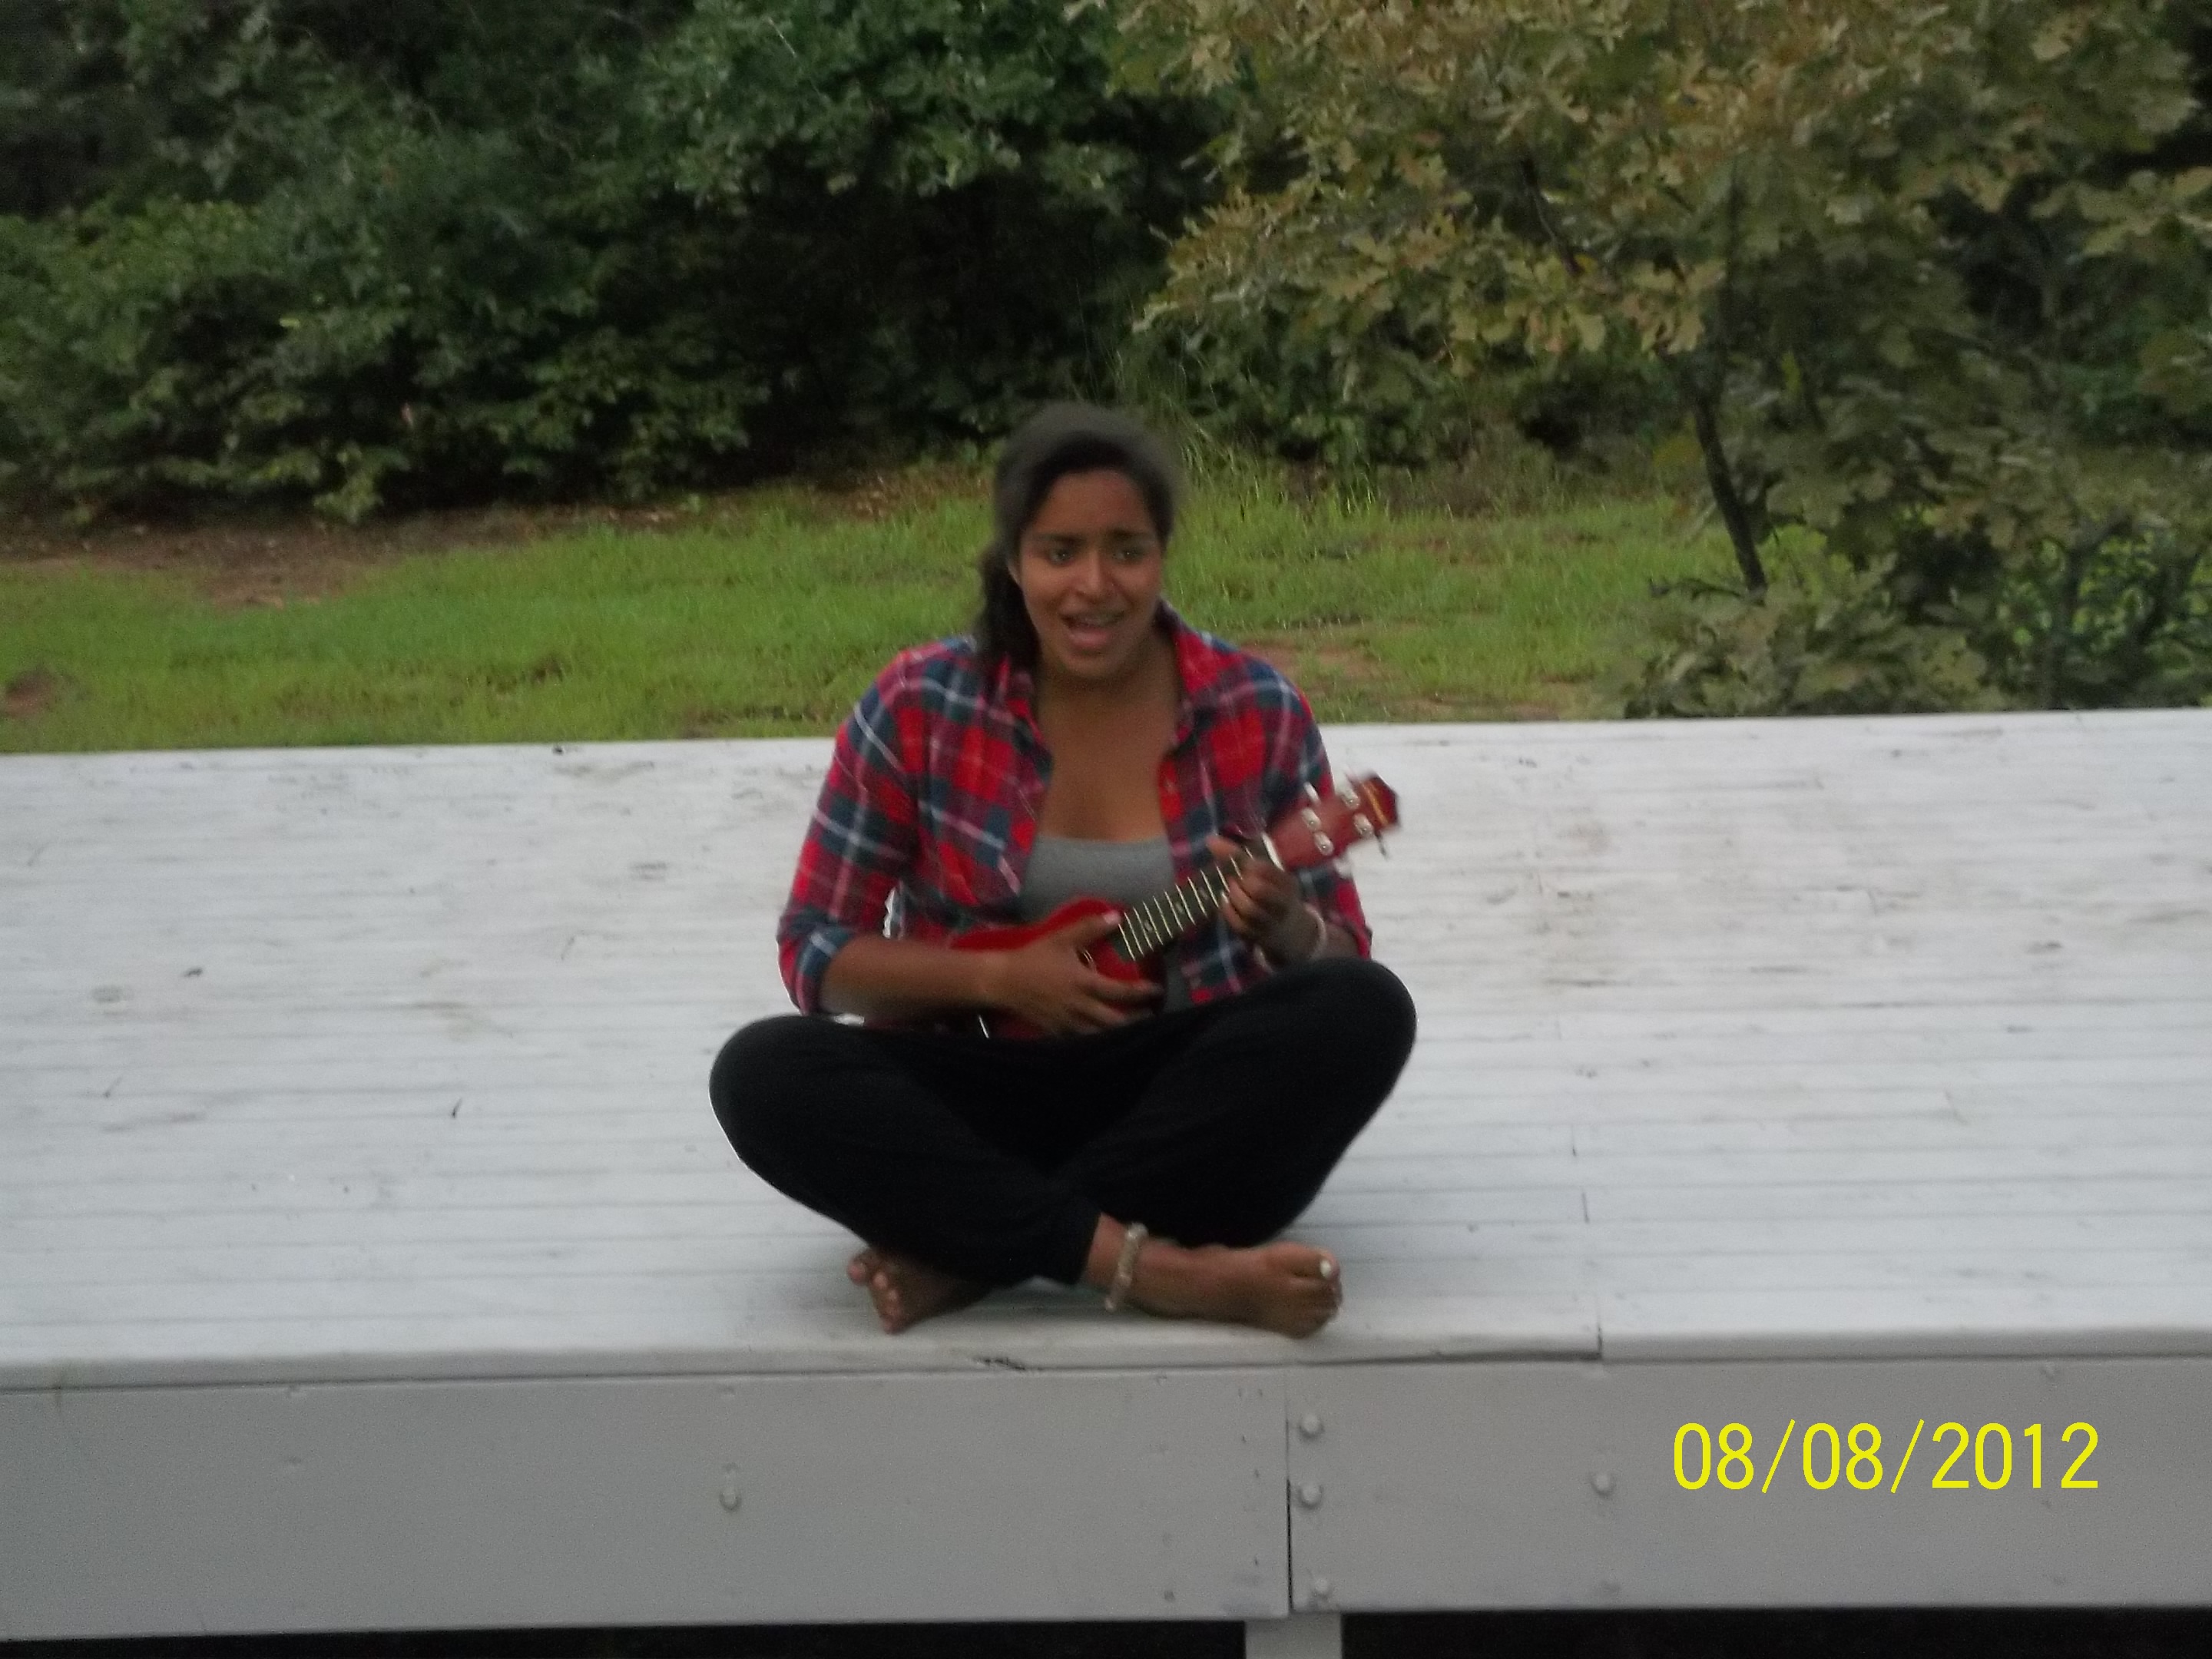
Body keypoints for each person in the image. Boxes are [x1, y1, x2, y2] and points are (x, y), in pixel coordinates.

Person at [709, 403, 1416, 1337]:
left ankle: (973, 1250)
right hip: (980, 1085)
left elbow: (1341, 955)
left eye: (1127, 550)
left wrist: (1286, 925)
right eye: (1059, 552)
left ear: (1162, 556)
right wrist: (1002, 979)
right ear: (1013, 560)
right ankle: (1167, 1272)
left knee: (1365, 1009)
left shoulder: (1255, 706)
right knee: (760, 1074)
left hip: (1171, 1104)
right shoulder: (918, 703)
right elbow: (814, 953)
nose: (1095, 585)